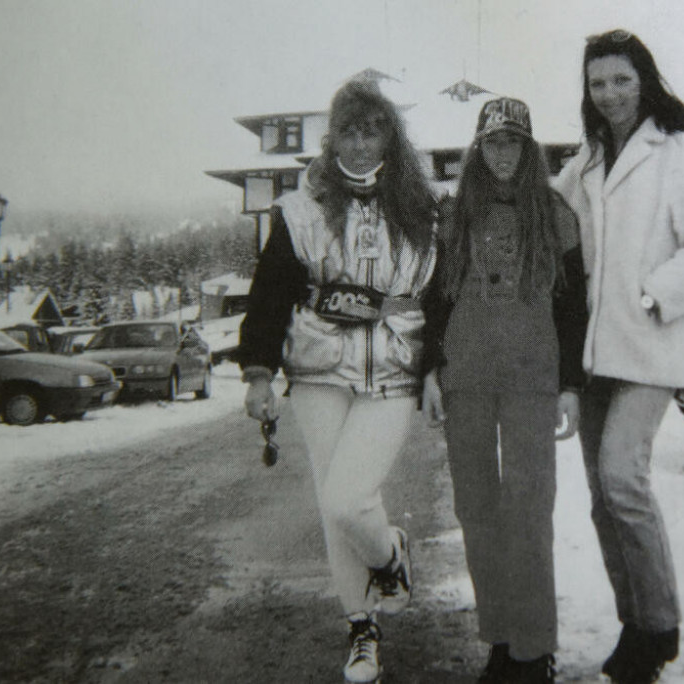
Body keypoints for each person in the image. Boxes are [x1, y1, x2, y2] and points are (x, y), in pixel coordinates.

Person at [238, 79, 438, 684]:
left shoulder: (424, 210)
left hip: (393, 372)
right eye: (348, 131)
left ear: (389, 136)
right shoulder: (300, 210)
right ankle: (361, 627)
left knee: (348, 498)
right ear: (333, 138)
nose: (360, 143)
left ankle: (389, 554)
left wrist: (437, 367)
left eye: (372, 130)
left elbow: (441, 298)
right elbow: (270, 293)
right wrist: (258, 372)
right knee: (333, 504)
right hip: (319, 371)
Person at [554, 29, 684, 684]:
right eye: (598, 83)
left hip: (654, 345)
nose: (610, 94)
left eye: (621, 80)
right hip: (598, 352)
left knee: (622, 480)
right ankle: (635, 625)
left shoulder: (679, 151)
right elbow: (547, 220)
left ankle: (660, 625)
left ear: (645, 82)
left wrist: (653, 297)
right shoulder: (587, 162)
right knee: (603, 497)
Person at [421, 97, 588, 684]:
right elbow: (435, 300)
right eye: (492, 141)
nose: (502, 152)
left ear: (529, 147)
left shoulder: (555, 213)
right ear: (478, 147)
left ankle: (534, 648)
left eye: (513, 141)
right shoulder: (453, 214)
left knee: (529, 509)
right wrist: (429, 370)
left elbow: (573, 307)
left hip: (531, 378)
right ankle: (499, 637)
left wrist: (571, 385)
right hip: (465, 378)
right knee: (476, 510)